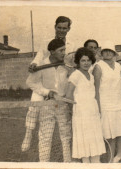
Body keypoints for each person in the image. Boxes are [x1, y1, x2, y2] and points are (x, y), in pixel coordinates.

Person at [21, 16, 75, 152]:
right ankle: (28, 134)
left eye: (65, 28)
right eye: (59, 27)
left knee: (65, 118)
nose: (62, 30)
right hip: (45, 81)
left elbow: (73, 61)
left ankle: (68, 151)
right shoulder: (46, 43)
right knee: (34, 105)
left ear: (69, 29)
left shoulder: (72, 45)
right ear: (55, 27)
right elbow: (39, 57)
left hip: (61, 80)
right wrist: (34, 64)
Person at [26, 39, 72, 162]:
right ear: (51, 52)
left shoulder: (66, 66)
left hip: (62, 105)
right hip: (47, 104)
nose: (64, 53)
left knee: (66, 136)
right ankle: (44, 164)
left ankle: (68, 163)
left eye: (65, 50)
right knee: (45, 137)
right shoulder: (42, 64)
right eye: (61, 50)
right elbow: (30, 82)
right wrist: (47, 92)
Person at [66, 47, 106, 163]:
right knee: (84, 142)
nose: (86, 63)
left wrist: (97, 110)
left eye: (88, 60)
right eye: (83, 60)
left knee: (94, 140)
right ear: (78, 61)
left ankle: (96, 163)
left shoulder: (91, 76)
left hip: (92, 112)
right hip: (81, 113)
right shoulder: (75, 75)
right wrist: (74, 111)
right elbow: (68, 96)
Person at [93, 45, 121, 163]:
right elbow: (96, 89)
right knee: (108, 135)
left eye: (110, 51)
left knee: (119, 132)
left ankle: (117, 157)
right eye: (105, 51)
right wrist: (98, 107)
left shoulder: (118, 66)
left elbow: (118, 87)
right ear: (102, 53)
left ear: (114, 53)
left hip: (117, 103)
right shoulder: (98, 66)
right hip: (105, 104)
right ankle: (109, 160)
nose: (107, 53)